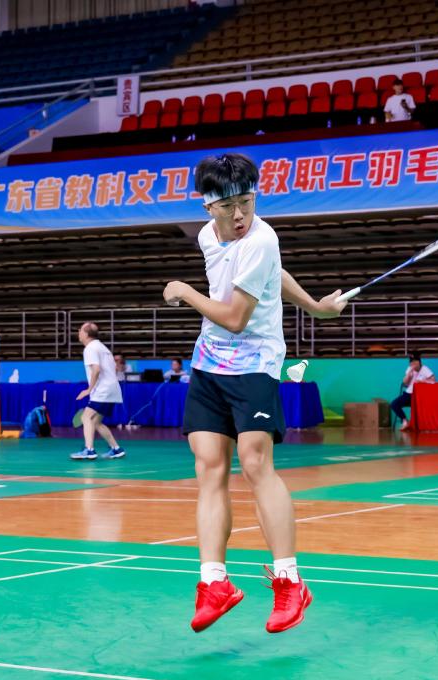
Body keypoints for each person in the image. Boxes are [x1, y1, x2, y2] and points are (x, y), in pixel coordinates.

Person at [162, 152, 345, 634]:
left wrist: (184, 291)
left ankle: (290, 581)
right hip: (209, 363)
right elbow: (273, 275)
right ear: (207, 207)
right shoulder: (208, 236)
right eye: (228, 206)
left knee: (255, 462)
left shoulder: (262, 238)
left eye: (247, 201)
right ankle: (214, 583)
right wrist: (314, 306)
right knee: (208, 467)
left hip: (255, 363)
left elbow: (235, 318)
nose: (240, 214)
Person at [71, 322, 126, 461]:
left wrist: (89, 389)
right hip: (113, 389)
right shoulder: (102, 347)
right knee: (96, 422)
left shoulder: (90, 348)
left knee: (86, 417)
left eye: (80, 330)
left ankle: (89, 450)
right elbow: (113, 368)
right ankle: (116, 448)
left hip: (102, 390)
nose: (78, 332)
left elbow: (96, 369)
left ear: (86, 334)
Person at [390, 355, 435, 430]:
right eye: (411, 362)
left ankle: (423, 425)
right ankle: (405, 421)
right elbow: (405, 382)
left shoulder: (425, 369)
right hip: (408, 394)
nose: (413, 363)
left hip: (420, 396)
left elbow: (433, 380)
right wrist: (410, 372)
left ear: (419, 362)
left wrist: (422, 381)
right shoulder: (409, 369)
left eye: (415, 361)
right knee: (394, 404)